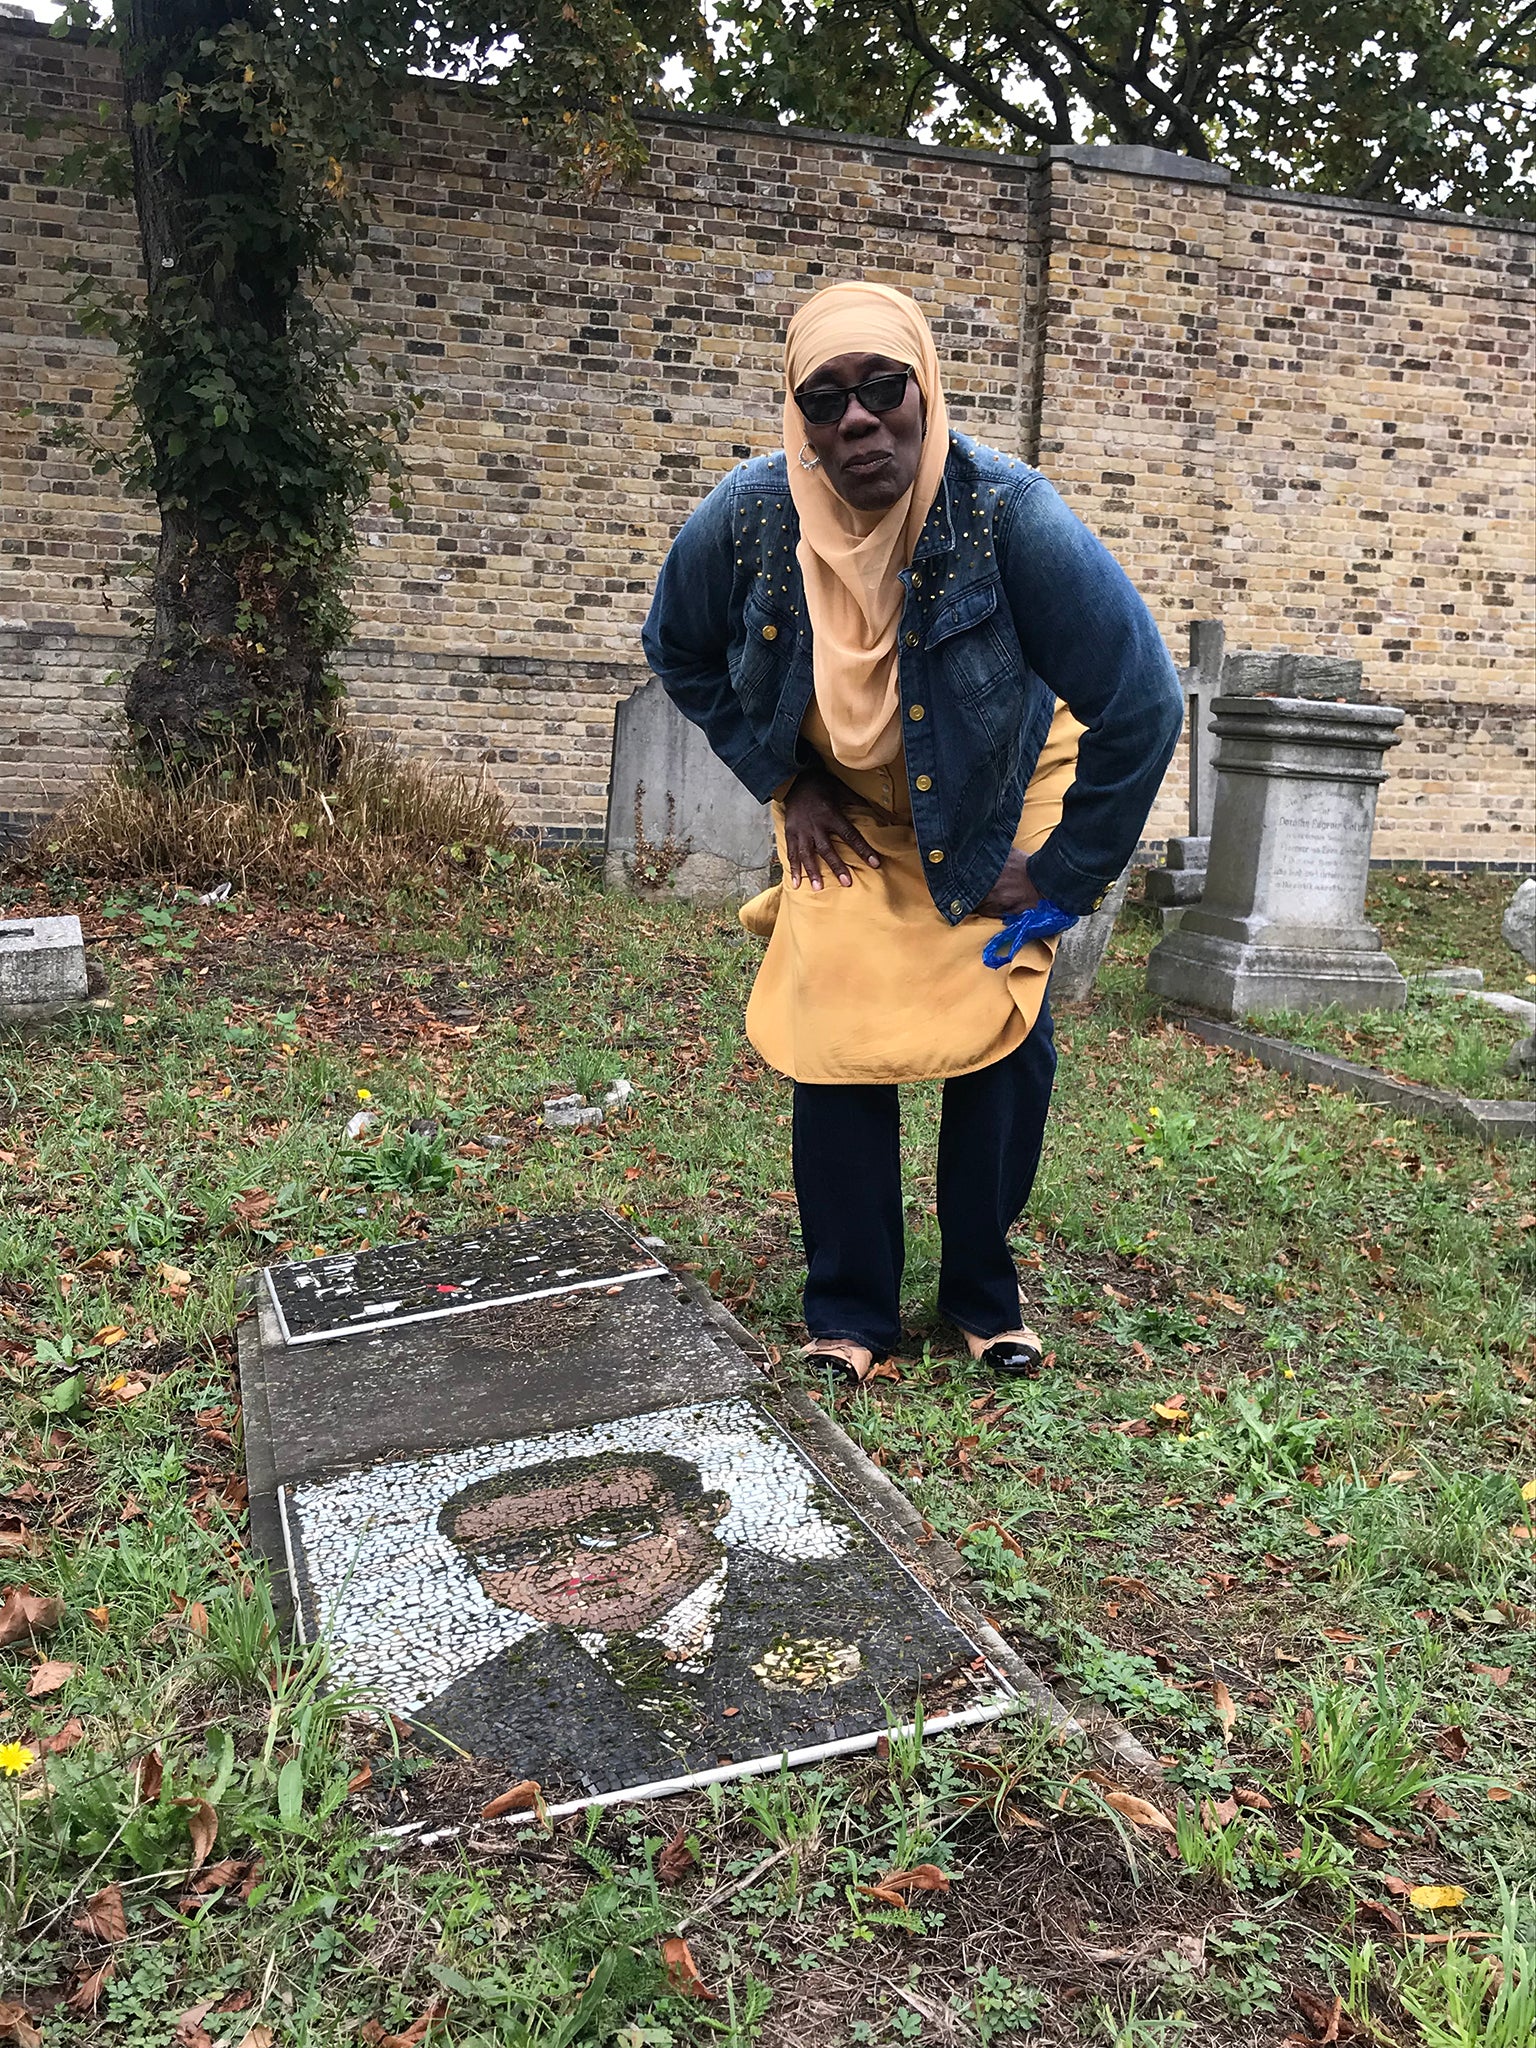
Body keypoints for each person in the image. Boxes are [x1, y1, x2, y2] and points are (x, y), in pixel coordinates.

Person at [642, 280, 1183, 1380]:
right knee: (837, 1030)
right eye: (825, 397)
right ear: (799, 415)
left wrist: (1062, 873)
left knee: (997, 1026)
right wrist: (785, 782)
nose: (857, 419)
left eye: (883, 388)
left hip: (1004, 788)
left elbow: (1144, 700)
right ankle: (852, 1307)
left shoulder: (1008, 515)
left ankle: (984, 1291)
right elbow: (677, 646)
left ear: (924, 392)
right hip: (851, 803)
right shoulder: (751, 515)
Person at [414, 1449, 964, 1791]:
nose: (571, 1565)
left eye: (615, 1527)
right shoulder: (464, 1717)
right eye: (515, 1552)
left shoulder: (872, 1605)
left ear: (706, 1512)